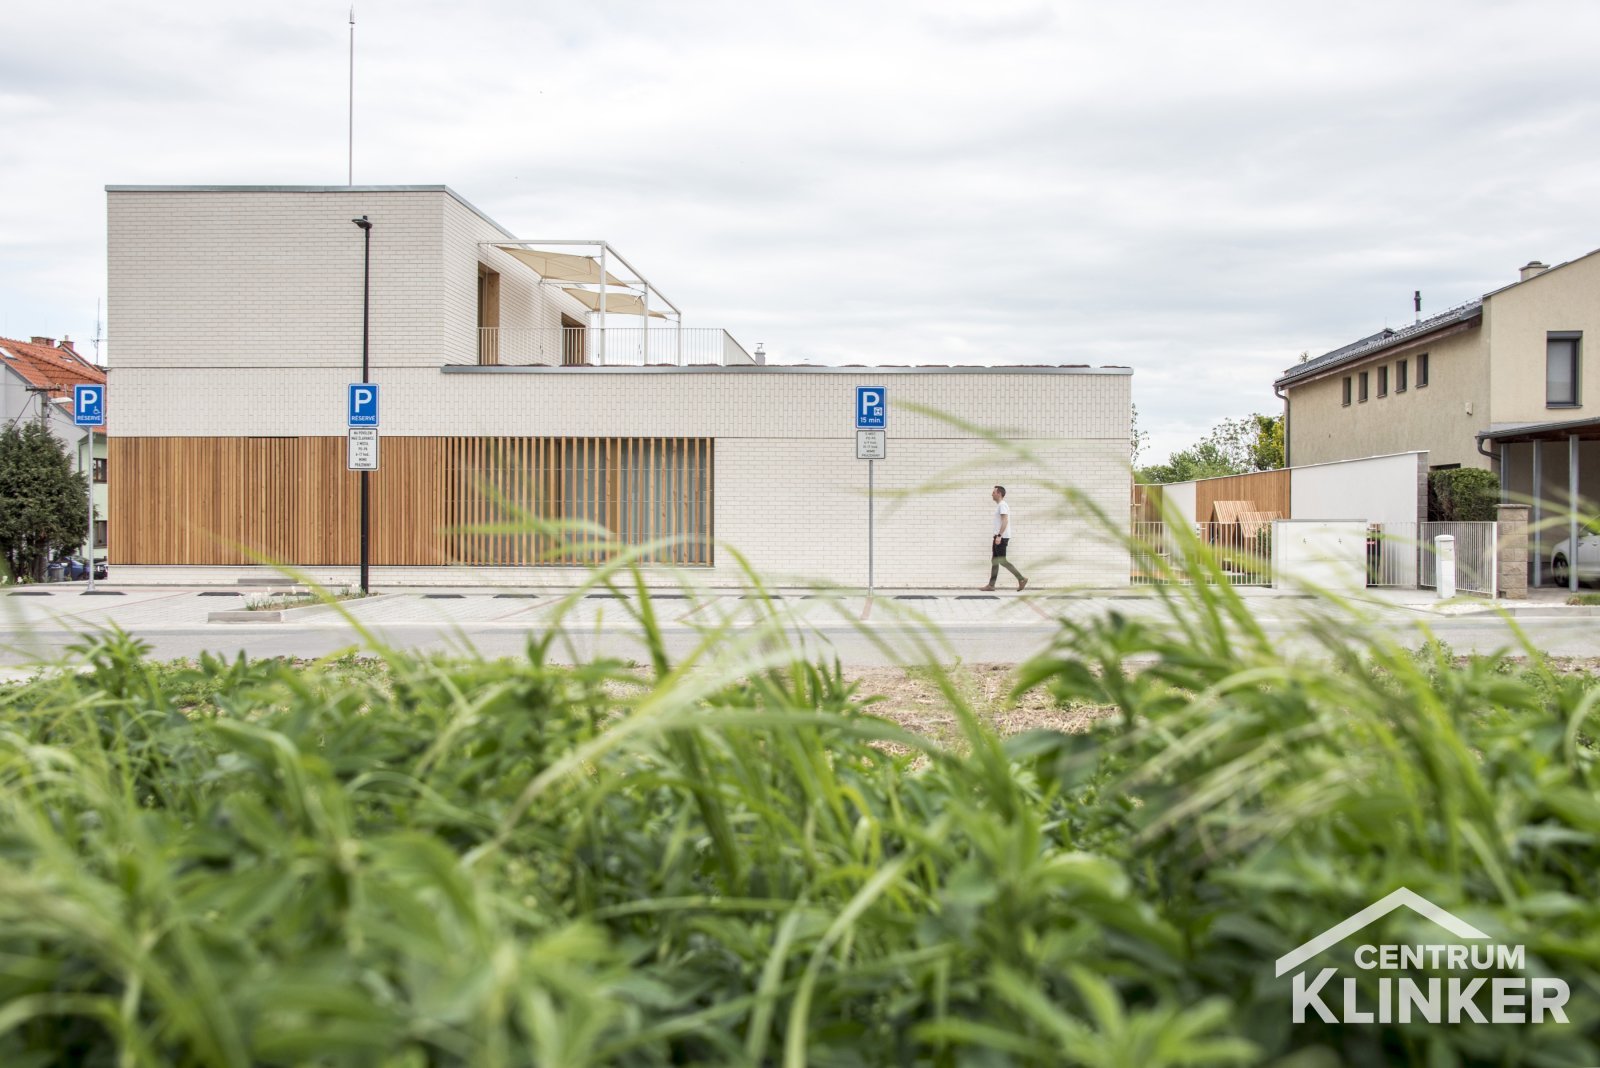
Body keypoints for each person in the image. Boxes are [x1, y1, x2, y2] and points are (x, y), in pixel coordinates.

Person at [980, 485, 1028, 591]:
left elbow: (1005, 520)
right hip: (998, 537)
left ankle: (1021, 578)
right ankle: (991, 585)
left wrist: (999, 536)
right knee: (995, 561)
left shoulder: (1002, 505)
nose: (992, 494)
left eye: (994, 492)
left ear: (999, 494)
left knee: (1002, 561)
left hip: (1001, 537)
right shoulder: (1000, 505)